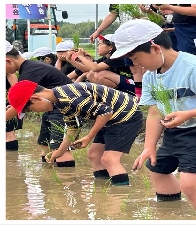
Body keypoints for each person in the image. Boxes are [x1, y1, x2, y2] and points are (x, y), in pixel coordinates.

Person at [110, 19, 196, 216]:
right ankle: (170, 214)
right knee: (157, 168)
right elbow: (154, 112)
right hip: (177, 128)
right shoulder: (152, 74)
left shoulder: (194, 68)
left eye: (135, 58)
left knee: (191, 184)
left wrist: (188, 114)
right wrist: (149, 146)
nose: (135, 64)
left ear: (154, 48)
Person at [7, 80, 143, 186]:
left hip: (126, 115)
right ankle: (104, 191)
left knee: (109, 159)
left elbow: (106, 111)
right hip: (111, 118)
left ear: (35, 99)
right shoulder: (60, 101)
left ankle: (120, 196)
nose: (37, 112)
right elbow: (72, 127)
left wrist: (89, 137)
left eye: (31, 110)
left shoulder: (69, 98)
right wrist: (59, 152)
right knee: (94, 154)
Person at [6, 41, 76, 167]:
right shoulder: (30, 68)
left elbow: (18, 107)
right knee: (44, 142)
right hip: (52, 108)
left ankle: (67, 182)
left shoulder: (29, 73)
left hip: (64, 108)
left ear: (8, 61)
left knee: (60, 148)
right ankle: (48, 180)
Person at [90, 4, 144, 99]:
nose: (98, 46)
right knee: (134, 68)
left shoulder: (115, 57)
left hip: (143, 34)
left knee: (145, 66)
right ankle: (139, 95)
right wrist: (98, 31)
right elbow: (113, 14)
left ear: (111, 46)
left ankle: (147, 94)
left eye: (100, 44)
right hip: (128, 38)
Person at [6, 73, 23, 151]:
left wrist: (13, 104)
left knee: (9, 134)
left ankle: (11, 161)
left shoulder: (8, 73)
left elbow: (17, 90)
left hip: (10, 104)